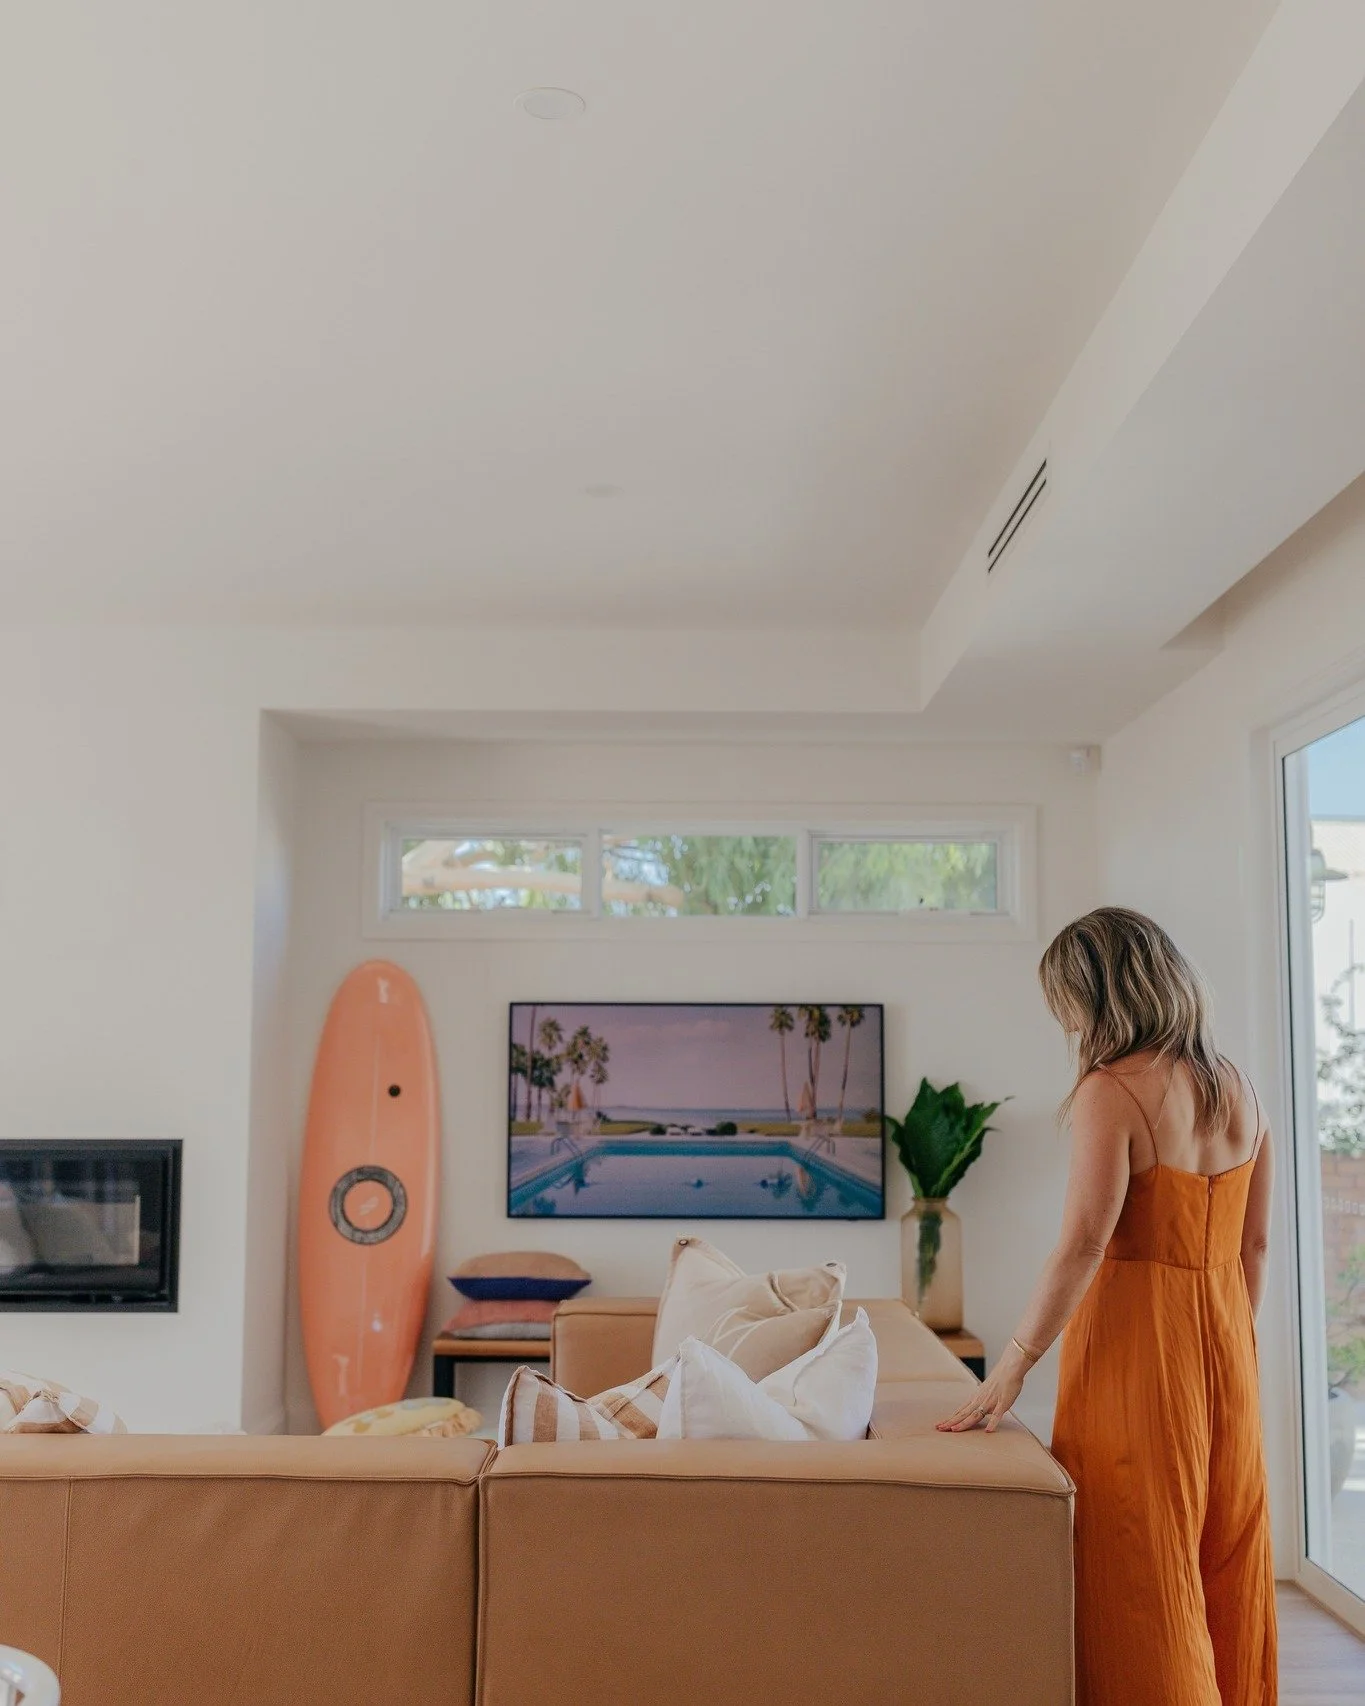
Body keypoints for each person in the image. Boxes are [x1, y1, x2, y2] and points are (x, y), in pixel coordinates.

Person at [938, 906, 1276, 1705]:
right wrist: (1230, 1341)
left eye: (1066, 1003)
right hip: (1227, 1338)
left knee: (1138, 1554)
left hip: (1135, 1346)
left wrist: (1011, 1366)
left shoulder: (1111, 1090)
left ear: (1097, 995)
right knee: (1222, 1545)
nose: (1065, 1024)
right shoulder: (1240, 1087)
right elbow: (1254, 1247)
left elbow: (1083, 1244)